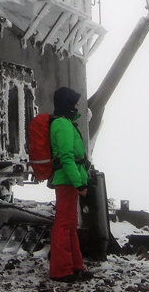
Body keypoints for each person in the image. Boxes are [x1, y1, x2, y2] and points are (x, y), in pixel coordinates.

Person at [48, 87, 93, 283]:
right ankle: (61, 270)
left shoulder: (65, 123)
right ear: (67, 104)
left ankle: (75, 266)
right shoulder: (62, 125)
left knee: (69, 224)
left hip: (69, 181)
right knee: (64, 225)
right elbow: (66, 158)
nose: (77, 106)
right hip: (67, 181)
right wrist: (79, 184)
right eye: (74, 103)